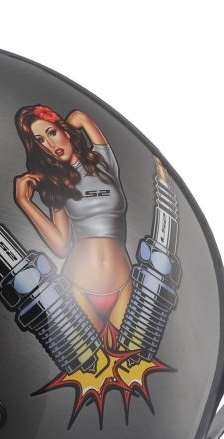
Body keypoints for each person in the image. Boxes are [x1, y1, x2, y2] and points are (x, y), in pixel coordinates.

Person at [14, 104, 132, 333]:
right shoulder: (57, 183)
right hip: (79, 288)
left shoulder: (103, 162)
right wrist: (24, 201)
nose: (50, 145)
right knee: (88, 357)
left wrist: (72, 121)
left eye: (51, 132)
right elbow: (61, 246)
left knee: (131, 355)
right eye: (40, 141)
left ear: (65, 130)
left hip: (123, 285)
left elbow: (81, 117)